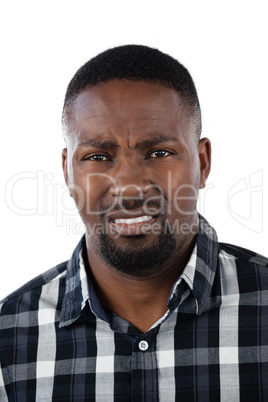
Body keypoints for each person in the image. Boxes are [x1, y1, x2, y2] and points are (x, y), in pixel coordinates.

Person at [0, 45, 267, 402]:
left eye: (158, 153)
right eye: (98, 156)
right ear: (67, 171)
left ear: (202, 163)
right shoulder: (8, 337)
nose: (129, 187)